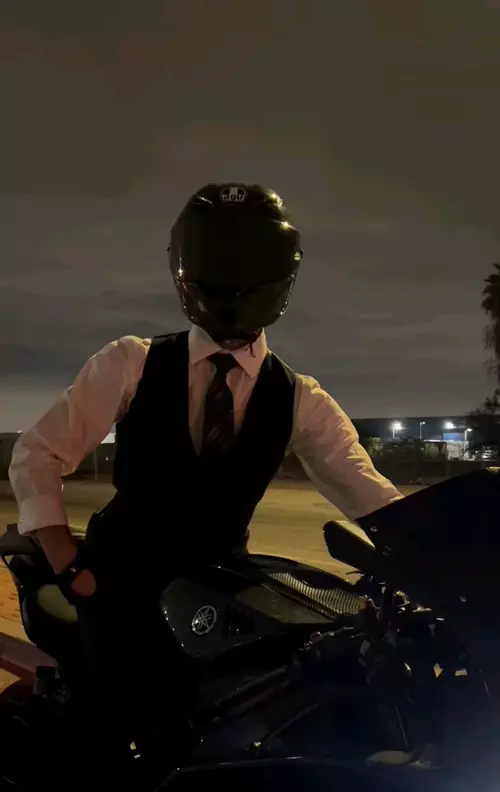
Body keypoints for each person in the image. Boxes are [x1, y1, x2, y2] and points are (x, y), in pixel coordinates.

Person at [9, 182, 402, 757]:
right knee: (110, 740)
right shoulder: (131, 362)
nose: (235, 281)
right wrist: (71, 566)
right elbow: (37, 453)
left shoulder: (299, 398)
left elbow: (372, 494)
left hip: (218, 587)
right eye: (222, 261)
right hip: (120, 583)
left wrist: (448, 553)